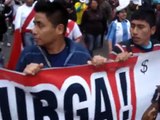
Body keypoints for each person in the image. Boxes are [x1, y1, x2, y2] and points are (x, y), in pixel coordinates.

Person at [16, 1, 91, 75]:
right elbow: (14, 83)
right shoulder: (28, 54)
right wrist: (24, 77)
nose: (33, 31)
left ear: (59, 29)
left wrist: (100, 68)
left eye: (40, 25)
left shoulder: (82, 55)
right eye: (34, 24)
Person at [88, 7, 160, 65]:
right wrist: (102, 64)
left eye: (140, 27)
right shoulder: (119, 49)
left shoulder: (158, 47)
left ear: (152, 30)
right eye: (132, 26)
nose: (134, 32)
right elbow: (109, 71)